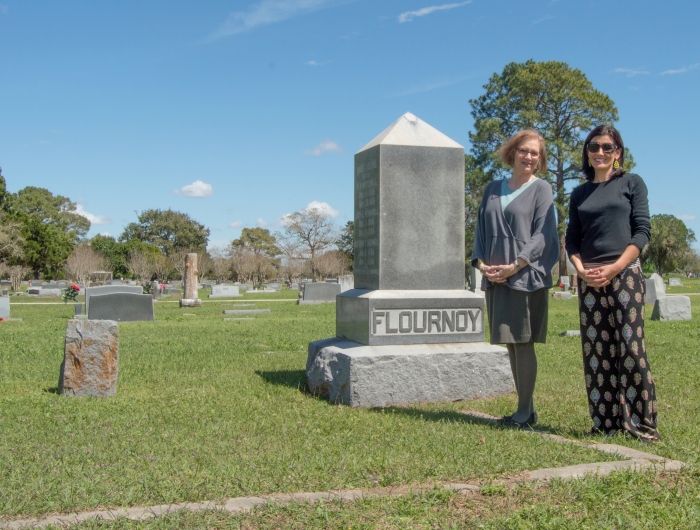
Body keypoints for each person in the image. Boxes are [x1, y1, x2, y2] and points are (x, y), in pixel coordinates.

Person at [565, 125, 659, 442]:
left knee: (631, 347)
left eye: (607, 147)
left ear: (618, 151)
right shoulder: (579, 193)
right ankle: (605, 423)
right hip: (589, 279)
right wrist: (581, 270)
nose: (600, 152)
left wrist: (616, 267)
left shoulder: (632, 183)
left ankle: (642, 423)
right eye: (594, 147)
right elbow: (572, 241)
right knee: (597, 352)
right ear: (587, 152)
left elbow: (642, 232)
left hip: (626, 272)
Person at [471, 129, 559, 428]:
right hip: (496, 276)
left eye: (535, 153)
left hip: (524, 276)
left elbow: (543, 234)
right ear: (513, 152)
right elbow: (481, 228)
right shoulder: (493, 188)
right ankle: (527, 409)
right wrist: (481, 263)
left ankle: (524, 412)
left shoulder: (542, 189)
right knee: (510, 342)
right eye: (524, 150)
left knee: (523, 342)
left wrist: (516, 264)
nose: (529, 157)